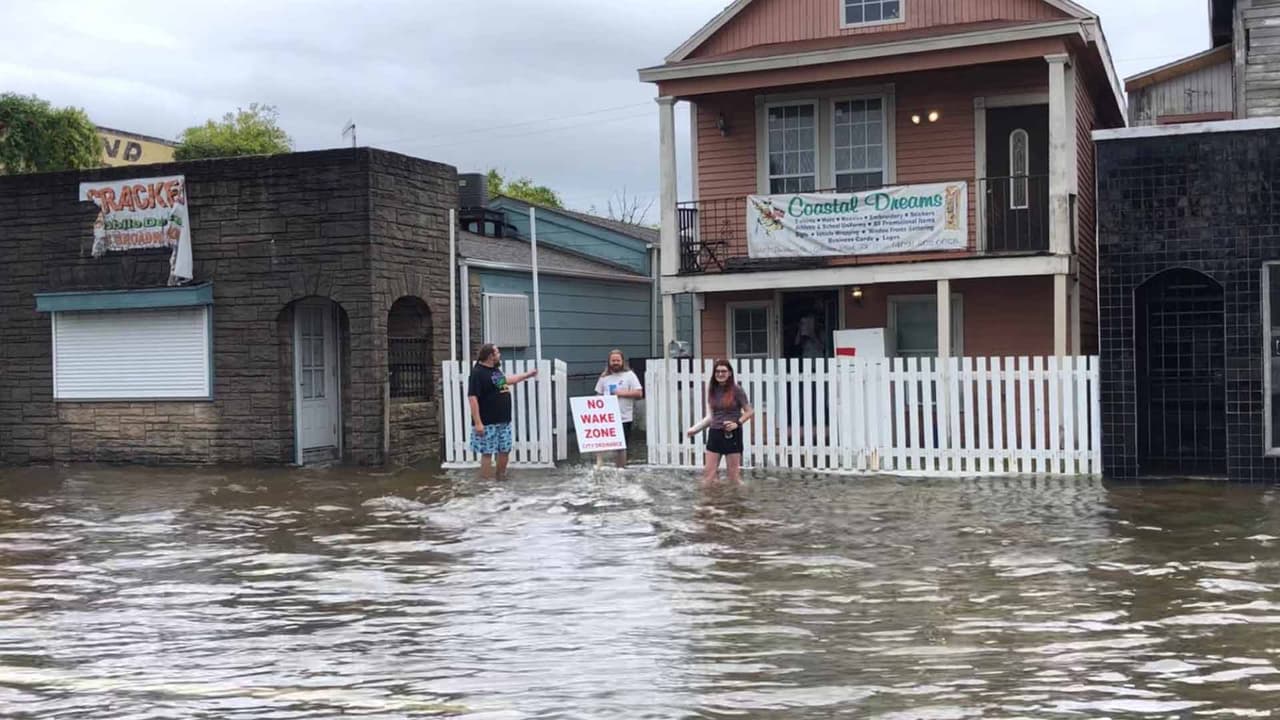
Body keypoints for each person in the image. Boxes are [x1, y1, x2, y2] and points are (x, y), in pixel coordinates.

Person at [467, 343, 538, 481]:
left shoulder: (494, 370)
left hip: (503, 420)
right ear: (490, 356)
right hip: (487, 422)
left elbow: (505, 382)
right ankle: (486, 483)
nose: (500, 355)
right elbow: (472, 397)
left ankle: (501, 478)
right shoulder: (477, 373)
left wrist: (527, 375)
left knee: (505, 449)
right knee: (487, 453)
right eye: (497, 353)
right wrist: (478, 423)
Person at [686, 359, 754, 483]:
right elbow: (711, 417)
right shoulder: (712, 389)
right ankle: (712, 496)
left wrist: (737, 424)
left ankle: (741, 496)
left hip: (732, 435)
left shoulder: (737, 390)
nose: (720, 374)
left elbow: (749, 411)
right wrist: (695, 429)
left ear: (730, 373)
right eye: (717, 371)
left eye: (723, 371)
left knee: (733, 478)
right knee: (708, 476)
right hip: (715, 434)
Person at [594, 349, 643, 468]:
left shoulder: (629, 375)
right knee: (601, 443)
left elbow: (639, 393)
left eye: (618, 360)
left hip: (624, 416)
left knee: (621, 445)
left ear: (622, 361)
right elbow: (598, 395)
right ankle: (600, 466)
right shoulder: (604, 377)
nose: (615, 363)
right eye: (613, 360)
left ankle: (621, 468)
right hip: (606, 417)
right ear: (609, 362)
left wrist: (621, 393)